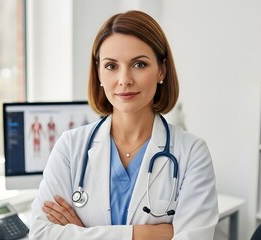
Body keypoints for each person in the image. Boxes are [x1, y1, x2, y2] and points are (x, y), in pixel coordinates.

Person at [29, 10, 219, 239]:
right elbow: (41, 234)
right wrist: (143, 234)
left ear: (162, 70)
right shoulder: (70, 147)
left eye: (139, 64)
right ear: (98, 72)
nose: (124, 79)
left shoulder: (191, 153)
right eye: (111, 66)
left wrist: (81, 233)